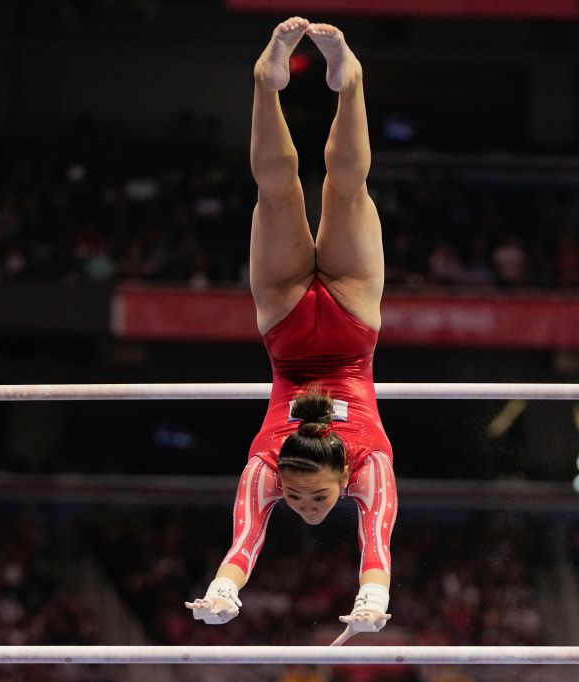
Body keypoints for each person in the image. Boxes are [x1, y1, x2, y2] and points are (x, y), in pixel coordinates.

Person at [185, 17, 397, 640]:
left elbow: (245, 538)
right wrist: (371, 597)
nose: (304, 507)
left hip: (285, 327)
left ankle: (266, 81)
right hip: (353, 320)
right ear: (342, 480)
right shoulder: (370, 465)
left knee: (276, 195)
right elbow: (378, 541)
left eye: (300, 499)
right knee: (347, 189)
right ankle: (350, 80)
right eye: (317, 499)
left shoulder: (267, 464)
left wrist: (223, 586)